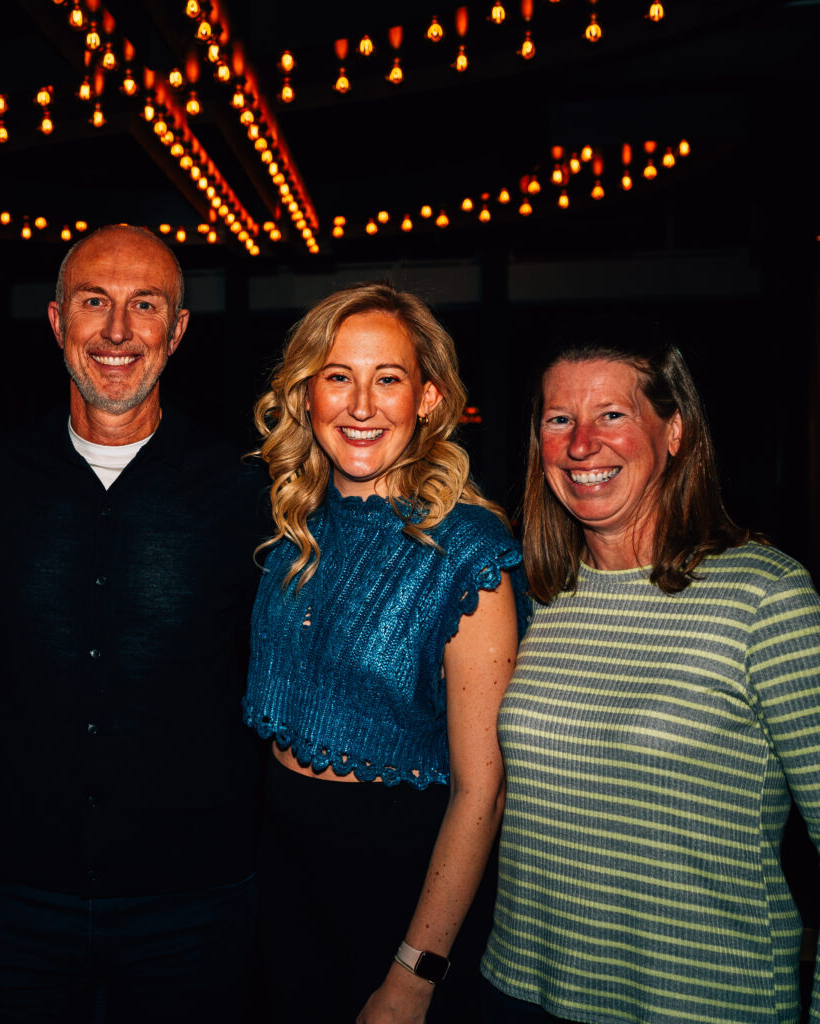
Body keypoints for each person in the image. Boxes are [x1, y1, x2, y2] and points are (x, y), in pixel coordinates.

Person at [0, 224, 269, 1021]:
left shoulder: (241, 488)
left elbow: (260, 666)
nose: (118, 331)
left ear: (177, 331)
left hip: (193, 896)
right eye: (95, 302)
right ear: (58, 321)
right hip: (23, 886)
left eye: (145, 305)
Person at [479, 342, 820, 1024]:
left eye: (611, 414)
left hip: (699, 1003)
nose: (581, 445)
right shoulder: (538, 596)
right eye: (558, 420)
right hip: (523, 988)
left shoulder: (765, 597)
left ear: (674, 431)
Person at [243, 283, 523, 1023]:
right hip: (285, 890)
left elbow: (483, 791)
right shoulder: (292, 529)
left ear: (429, 398)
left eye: (388, 379)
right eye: (338, 376)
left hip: (400, 898)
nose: (361, 405)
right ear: (306, 396)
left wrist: (413, 976)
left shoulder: (467, 553)